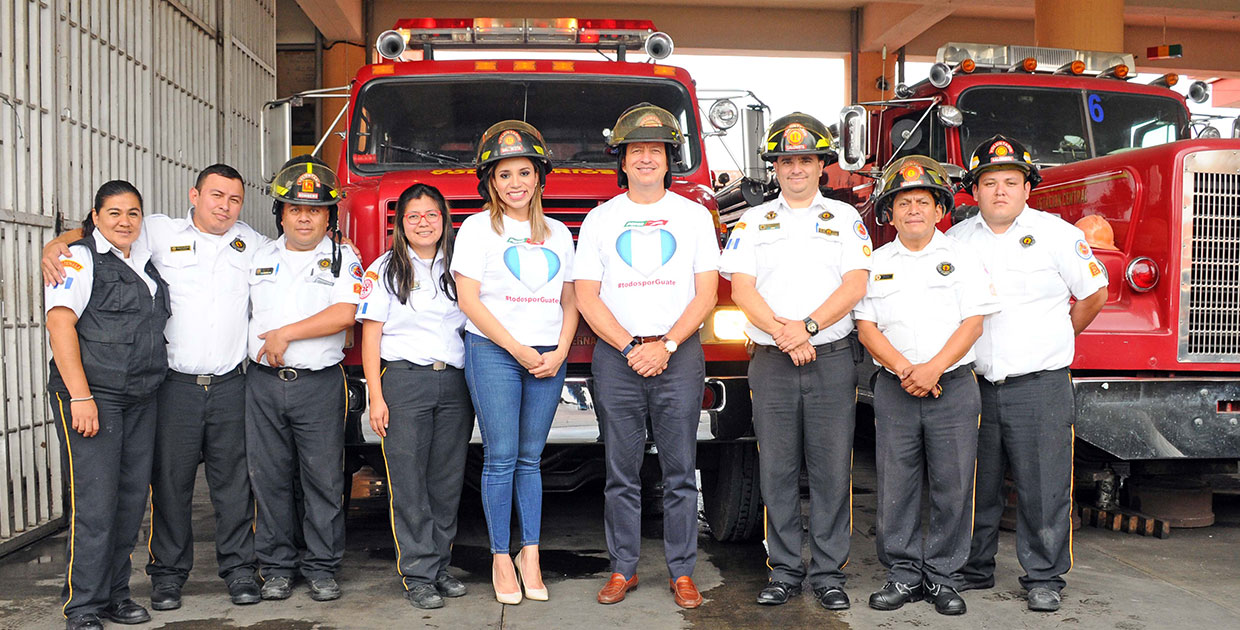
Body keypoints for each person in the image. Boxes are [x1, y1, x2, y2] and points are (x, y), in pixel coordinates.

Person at [43, 165, 262, 610]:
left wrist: (341, 244)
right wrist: (56, 243)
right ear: (194, 194)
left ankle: (238, 572)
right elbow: (96, 232)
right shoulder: (156, 232)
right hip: (169, 386)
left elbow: (297, 254)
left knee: (233, 486)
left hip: (225, 384)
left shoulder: (253, 243)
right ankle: (164, 577)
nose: (224, 205)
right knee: (167, 486)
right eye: (216, 195)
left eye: (234, 199)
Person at [717, 112, 872, 611]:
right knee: (777, 470)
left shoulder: (846, 218)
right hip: (772, 360)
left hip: (829, 357)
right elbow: (741, 288)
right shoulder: (753, 220)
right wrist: (786, 335)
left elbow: (855, 284)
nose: (796, 169)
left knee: (830, 470)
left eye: (806, 159)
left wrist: (804, 328)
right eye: (786, 160)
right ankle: (783, 570)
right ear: (774, 167)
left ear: (822, 165)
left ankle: (829, 573)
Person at [948, 134, 1108, 612]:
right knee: (972, 482)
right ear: (973, 190)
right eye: (989, 182)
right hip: (973, 384)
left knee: (1044, 485)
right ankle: (973, 567)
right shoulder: (956, 241)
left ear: (1027, 188)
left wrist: (1058, 337)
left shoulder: (1058, 235)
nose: (1000, 190)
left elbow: (1094, 294)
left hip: (1039, 383)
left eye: (1010, 182)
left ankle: (1043, 576)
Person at [574, 104, 719, 609]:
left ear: (668, 159)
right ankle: (623, 569)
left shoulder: (695, 216)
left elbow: (705, 295)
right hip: (619, 358)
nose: (645, 159)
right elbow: (587, 296)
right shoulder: (600, 219)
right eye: (636, 151)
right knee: (621, 472)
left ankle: (682, 572)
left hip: (678, 354)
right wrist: (633, 346)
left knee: (681, 472)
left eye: (655, 151)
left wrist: (667, 345)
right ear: (623, 159)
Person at [854, 156, 1000, 616]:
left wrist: (933, 368)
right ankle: (901, 574)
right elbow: (867, 328)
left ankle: (943, 576)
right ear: (889, 213)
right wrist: (906, 370)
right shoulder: (874, 263)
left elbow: (973, 323)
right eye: (903, 202)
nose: (913, 209)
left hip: (952, 384)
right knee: (896, 482)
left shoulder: (963, 258)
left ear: (940, 210)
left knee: (953, 484)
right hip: (896, 386)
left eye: (922, 201)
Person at [451, 121, 578, 605]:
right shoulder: (477, 229)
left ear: (539, 177)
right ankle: (500, 556)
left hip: (550, 356)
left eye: (524, 172)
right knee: (501, 458)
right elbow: (469, 300)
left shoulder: (561, 233)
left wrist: (561, 351)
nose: (515, 183)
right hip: (493, 353)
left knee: (531, 459)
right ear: (490, 182)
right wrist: (519, 350)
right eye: (504, 175)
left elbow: (570, 301)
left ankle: (532, 553)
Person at [46, 181, 170, 630]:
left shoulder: (143, 259)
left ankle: (117, 594)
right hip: (94, 396)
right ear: (95, 217)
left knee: (129, 501)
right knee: (95, 505)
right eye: (114, 213)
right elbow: (60, 324)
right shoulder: (78, 259)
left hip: (141, 396)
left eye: (133, 213)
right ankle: (82, 606)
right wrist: (81, 396)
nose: (124, 221)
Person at [245, 156, 361, 602]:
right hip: (263, 384)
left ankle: (322, 566)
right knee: (269, 479)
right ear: (281, 214)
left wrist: (285, 334)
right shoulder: (257, 256)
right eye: (295, 208)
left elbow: (344, 314)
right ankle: (276, 567)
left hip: (318, 384)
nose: (305, 217)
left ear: (329, 215)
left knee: (324, 480)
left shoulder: (344, 258)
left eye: (314, 210)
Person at [360, 183, 473, 610]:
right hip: (405, 382)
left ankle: (440, 568)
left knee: (445, 482)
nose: (423, 223)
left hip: (454, 382)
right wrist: (376, 395)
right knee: (408, 483)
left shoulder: (459, 268)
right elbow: (371, 337)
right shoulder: (384, 269)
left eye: (431, 214)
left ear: (444, 220)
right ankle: (418, 575)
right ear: (400, 224)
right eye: (413, 216)